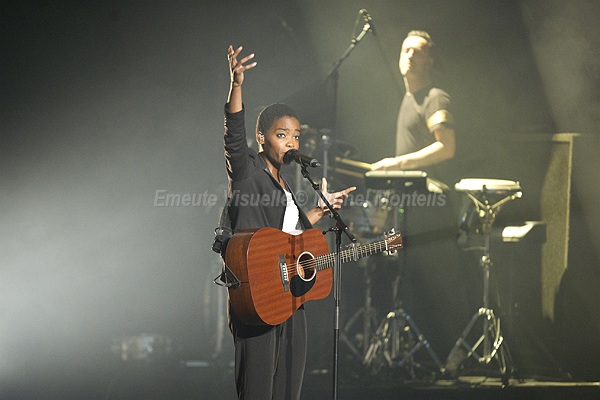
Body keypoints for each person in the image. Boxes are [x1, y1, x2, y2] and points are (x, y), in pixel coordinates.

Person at [223, 44, 356, 400]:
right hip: (256, 294)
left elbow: (290, 238)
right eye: (282, 135)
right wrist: (236, 85)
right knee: (257, 389)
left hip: (289, 297)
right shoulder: (247, 170)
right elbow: (233, 136)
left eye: (296, 136)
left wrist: (320, 211)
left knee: (288, 390)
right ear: (262, 138)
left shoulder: (287, 186)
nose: (291, 142)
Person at [369, 31, 469, 364]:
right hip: (410, 205)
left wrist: (395, 164)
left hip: (433, 207)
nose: (410, 55)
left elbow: (446, 147)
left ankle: (453, 352)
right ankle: (417, 357)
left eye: (418, 51)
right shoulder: (407, 99)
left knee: (438, 281)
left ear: (431, 61)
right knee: (407, 278)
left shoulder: (435, 98)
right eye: (406, 49)